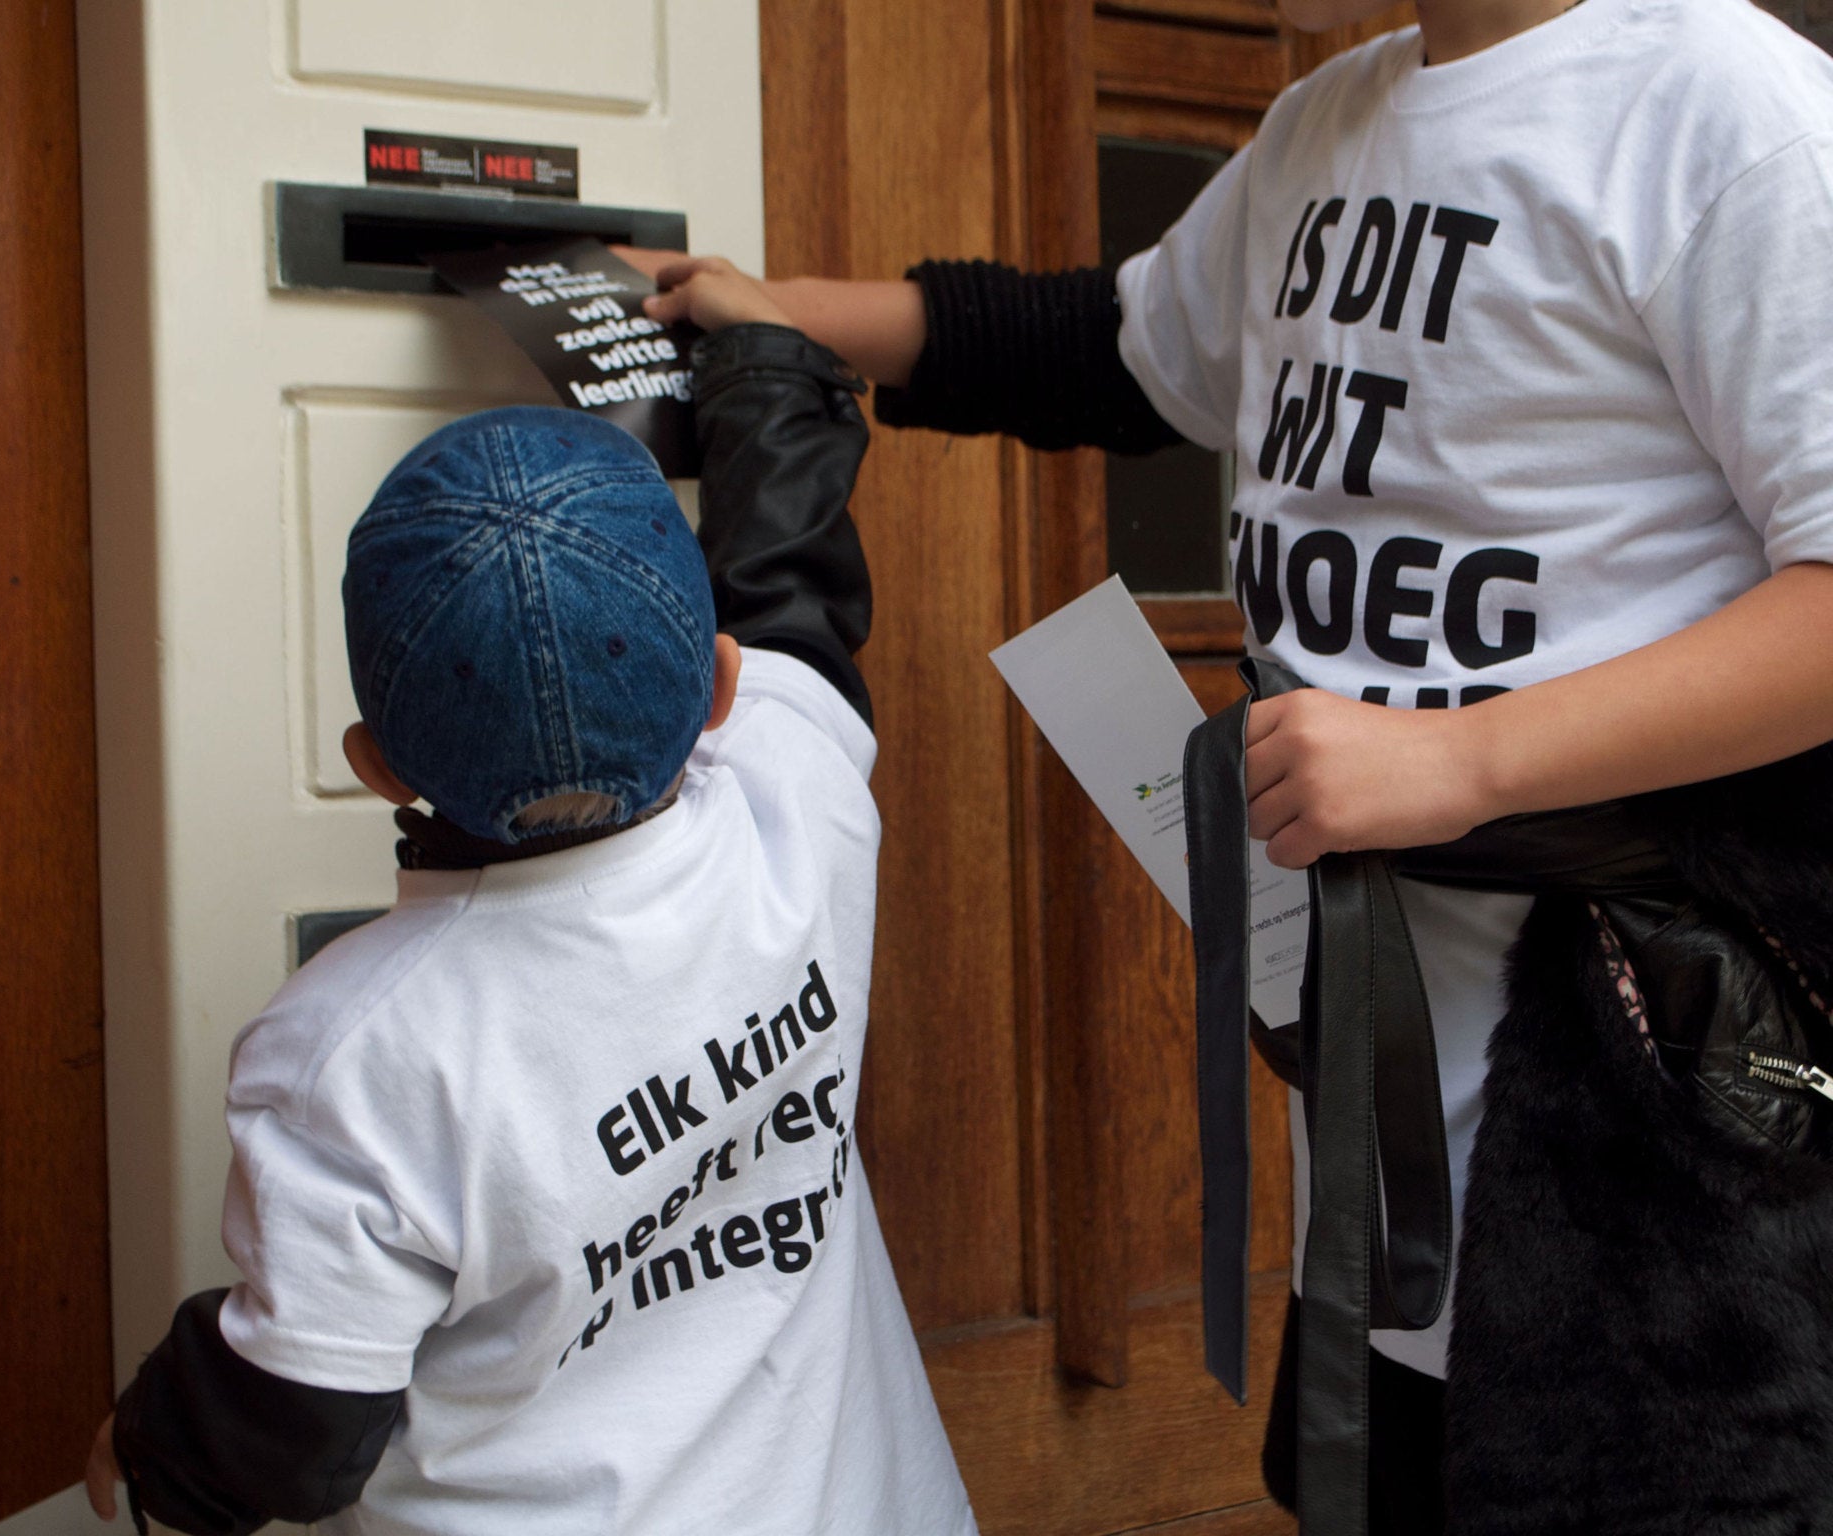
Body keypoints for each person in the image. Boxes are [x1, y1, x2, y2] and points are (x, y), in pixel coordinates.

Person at [630, 0, 1833, 1528]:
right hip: (1380, 1087)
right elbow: (1110, 351)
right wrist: (776, 318)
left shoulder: (1732, 109)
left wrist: (1464, 761)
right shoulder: (1326, 121)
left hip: (1654, 1128)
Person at [82, 270, 979, 1536]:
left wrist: (150, 1436)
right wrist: (766, 375)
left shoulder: (353, 1053)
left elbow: (293, 1424)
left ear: (374, 765)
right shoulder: (799, 801)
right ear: (720, 690)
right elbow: (797, 607)